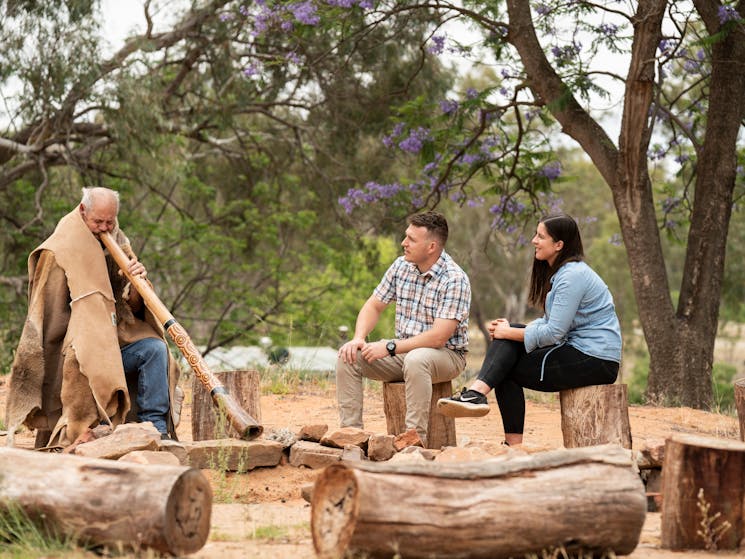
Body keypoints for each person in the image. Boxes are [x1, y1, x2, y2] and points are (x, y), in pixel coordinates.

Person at [5, 187, 182, 448]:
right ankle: (88, 432)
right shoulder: (59, 249)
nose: (104, 228)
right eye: (98, 222)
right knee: (85, 363)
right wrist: (89, 330)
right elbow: (49, 319)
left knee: (154, 349)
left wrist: (136, 282)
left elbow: (132, 308)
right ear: (82, 211)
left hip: (115, 344)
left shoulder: (118, 241)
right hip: (77, 353)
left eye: (110, 221)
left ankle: (154, 429)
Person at [437, 213, 622, 446]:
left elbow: (553, 333)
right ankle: (485, 406)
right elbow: (548, 323)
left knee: (505, 365)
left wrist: (507, 333)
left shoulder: (572, 276)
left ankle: (482, 402)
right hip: (583, 352)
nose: (534, 240)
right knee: (507, 347)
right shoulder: (566, 273)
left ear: (559, 245)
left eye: (540, 236)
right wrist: (510, 330)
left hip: (595, 359)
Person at [336, 211, 471, 446]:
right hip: (404, 353)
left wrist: (389, 347)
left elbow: (438, 337)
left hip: (447, 356)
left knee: (417, 360)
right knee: (349, 355)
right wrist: (359, 338)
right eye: (405, 236)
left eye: (411, 239)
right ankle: (351, 435)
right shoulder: (401, 266)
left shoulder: (454, 279)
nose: (403, 243)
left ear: (431, 247)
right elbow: (374, 306)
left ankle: (414, 440)